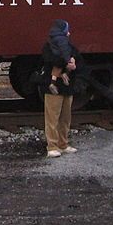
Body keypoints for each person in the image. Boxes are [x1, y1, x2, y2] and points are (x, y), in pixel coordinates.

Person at [40, 20, 82, 158]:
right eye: (67, 30)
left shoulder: (66, 45)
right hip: (54, 87)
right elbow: (50, 60)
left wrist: (73, 61)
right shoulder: (48, 47)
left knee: (65, 117)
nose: (68, 32)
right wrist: (68, 63)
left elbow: (76, 55)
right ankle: (52, 146)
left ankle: (63, 144)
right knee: (53, 118)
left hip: (66, 86)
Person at [47, 19, 73, 95]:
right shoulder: (62, 39)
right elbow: (65, 49)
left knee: (56, 69)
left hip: (55, 56)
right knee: (69, 65)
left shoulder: (52, 36)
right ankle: (65, 74)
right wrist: (68, 58)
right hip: (62, 57)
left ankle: (52, 83)